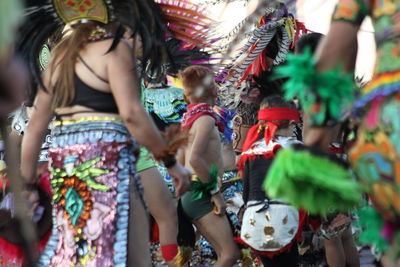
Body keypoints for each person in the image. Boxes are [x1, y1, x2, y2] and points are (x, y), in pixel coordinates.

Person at [19, 1, 194, 264]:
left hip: (67, 171)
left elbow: (34, 128)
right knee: (132, 254)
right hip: (109, 162)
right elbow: (133, 115)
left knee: (79, 251)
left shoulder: (59, 58)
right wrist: (171, 163)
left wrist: (27, 185)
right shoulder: (113, 49)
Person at [177, 65, 240, 267]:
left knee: (226, 254)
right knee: (229, 255)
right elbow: (194, 159)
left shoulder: (189, 119)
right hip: (201, 192)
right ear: (211, 89)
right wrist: (215, 193)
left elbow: (180, 160)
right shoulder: (204, 119)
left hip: (192, 193)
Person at [238, 95, 304, 267]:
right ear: (291, 124)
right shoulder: (295, 147)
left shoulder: (251, 150)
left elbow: (246, 194)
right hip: (283, 219)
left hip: (254, 221)